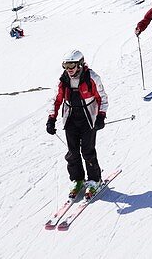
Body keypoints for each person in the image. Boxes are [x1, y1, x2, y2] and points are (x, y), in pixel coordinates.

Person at [46, 50, 108, 199]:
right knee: (72, 152)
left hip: (88, 118)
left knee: (87, 151)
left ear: (80, 64)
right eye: (66, 65)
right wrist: (51, 118)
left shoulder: (92, 78)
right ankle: (77, 179)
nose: (69, 69)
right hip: (71, 118)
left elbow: (102, 98)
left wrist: (101, 116)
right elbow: (56, 99)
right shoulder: (63, 80)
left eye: (71, 65)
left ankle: (94, 180)